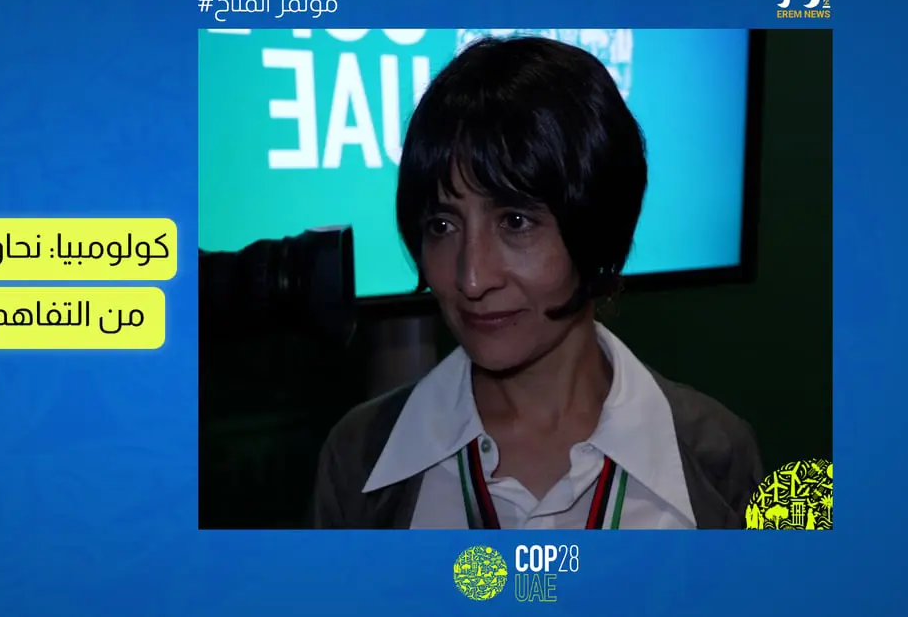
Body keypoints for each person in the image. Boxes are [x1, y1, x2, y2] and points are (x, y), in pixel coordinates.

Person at [308, 36, 763, 530]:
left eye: (515, 222)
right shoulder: (360, 458)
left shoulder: (715, 456)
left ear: (599, 226)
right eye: (442, 225)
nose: (472, 279)